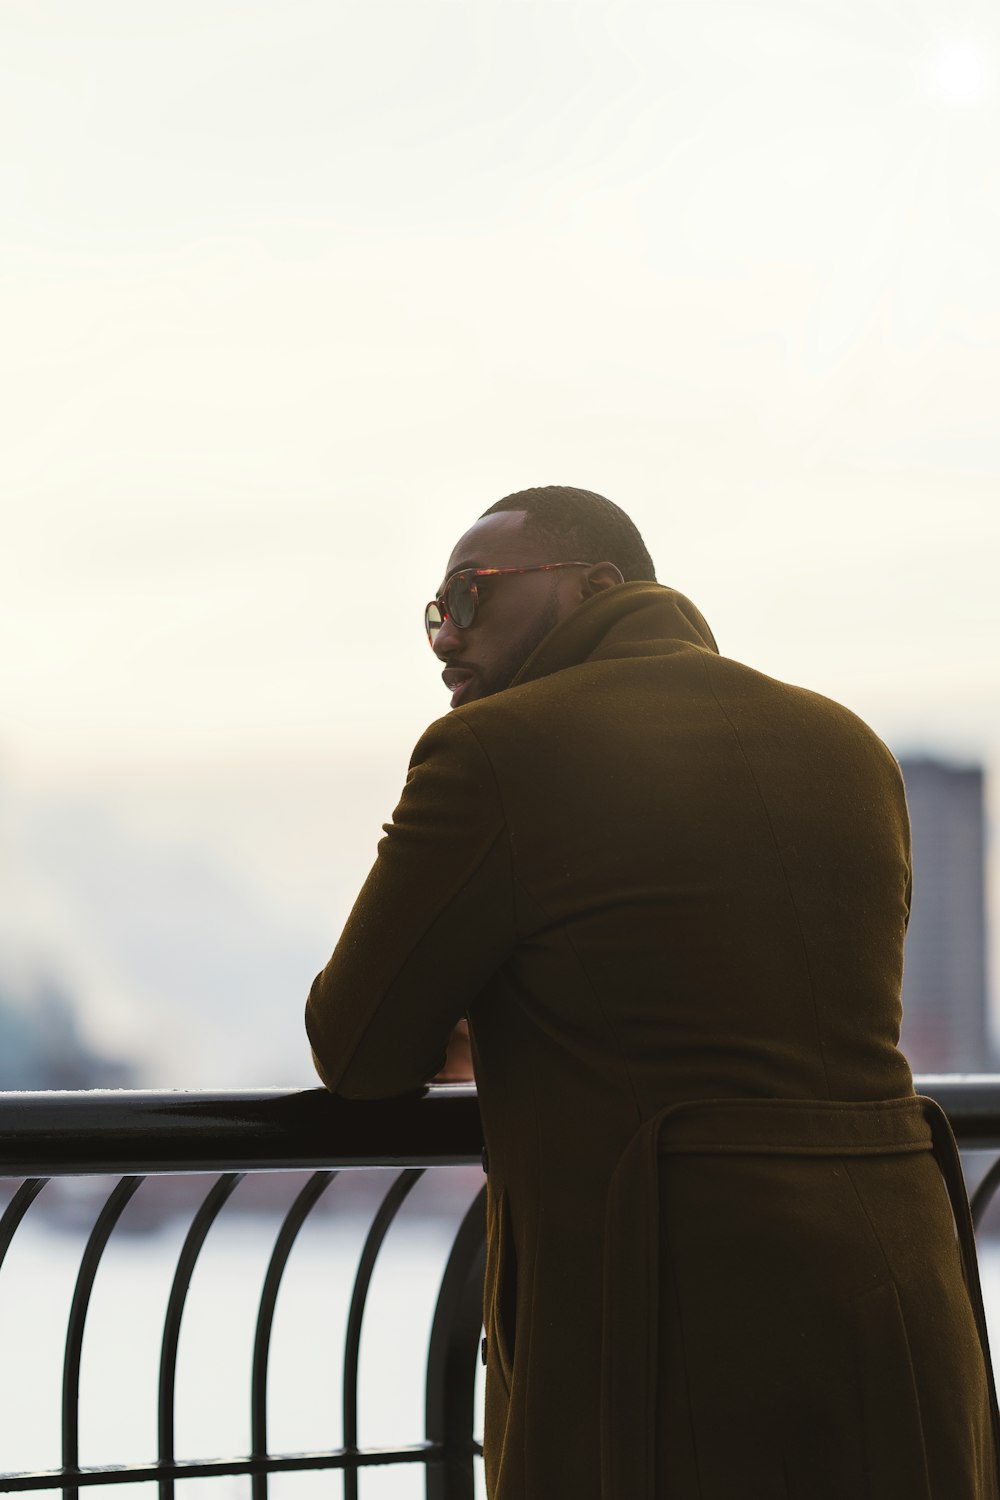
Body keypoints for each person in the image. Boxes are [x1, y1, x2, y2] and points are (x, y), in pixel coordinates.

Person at [306, 485, 999, 1500]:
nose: (445, 638)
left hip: (664, 1345)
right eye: (434, 612)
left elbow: (357, 1046)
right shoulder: (847, 745)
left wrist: (483, 1020)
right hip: (905, 1309)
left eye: (471, 595)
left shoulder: (493, 752)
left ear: (593, 587)